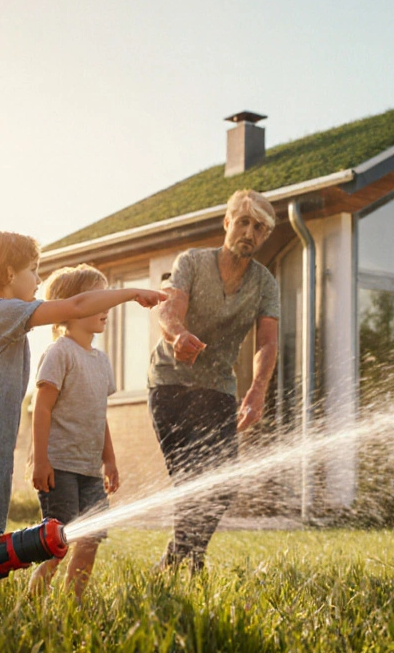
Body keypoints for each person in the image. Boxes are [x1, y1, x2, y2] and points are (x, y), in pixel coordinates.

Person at [0, 232, 166, 579]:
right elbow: (74, 306)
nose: (39, 279)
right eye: (33, 269)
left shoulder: (1, 318)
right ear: (9, 273)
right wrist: (132, 291)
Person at [150, 189, 280, 571]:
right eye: (243, 222)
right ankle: (189, 564)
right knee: (190, 476)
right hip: (170, 383)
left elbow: (267, 342)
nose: (250, 233)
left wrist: (257, 392)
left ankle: (178, 558)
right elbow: (170, 311)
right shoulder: (191, 262)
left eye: (259, 228)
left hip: (218, 387)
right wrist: (178, 336)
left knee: (222, 484)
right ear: (227, 223)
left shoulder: (265, 283)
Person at [26, 264, 120, 598]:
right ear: (71, 306)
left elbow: (100, 415)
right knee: (57, 542)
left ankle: (72, 603)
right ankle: (34, 598)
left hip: (89, 469)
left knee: (91, 538)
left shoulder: (102, 361)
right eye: (98, 298)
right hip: (59, 466)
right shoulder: (59, 352)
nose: (106, 306)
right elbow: (42, 408)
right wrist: (40, 461)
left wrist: (109, 460)